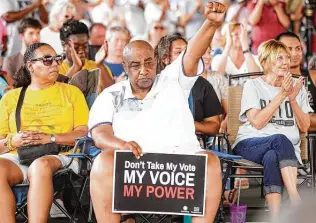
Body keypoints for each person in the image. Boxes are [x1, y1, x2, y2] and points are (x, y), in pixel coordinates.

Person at [88, 2, 226, 223]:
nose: (144, 70)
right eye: (135, 65)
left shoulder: (173, 80)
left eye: (148, 62)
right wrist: (121, 145)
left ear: (156, 62)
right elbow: (100, 134)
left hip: (179, 168)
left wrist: (210, 23)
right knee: (103, 161)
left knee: (210, 161)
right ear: (124, 66)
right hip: (134, 169)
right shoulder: (111, 94)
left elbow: (192, 53)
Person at [0, 42, 89, 223]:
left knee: (40, 166)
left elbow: (84, 132)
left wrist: (51, 138)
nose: (56, 64)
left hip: (61, 154)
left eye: (57, 59)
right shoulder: (11, 97)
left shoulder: (72, 92)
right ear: (30, 66)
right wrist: (12, 142)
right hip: (20, 155)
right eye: (47, 60)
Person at [233, 39, 312, 220]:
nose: (286, 62)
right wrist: (282, 95)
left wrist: (292, 99)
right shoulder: (253, 85)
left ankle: (275, 218)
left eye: (287, 57)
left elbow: (305, 126)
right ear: (265, 61)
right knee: (279, 139)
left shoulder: (296, 87)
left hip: (286, 151)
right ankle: (295, 199)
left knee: (272, 156)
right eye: (279, 58)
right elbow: (258, 123)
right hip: (250, 144)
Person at [155, 35, 223, 139]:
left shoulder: (202, 85)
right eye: (179, 52)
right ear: (165, 59)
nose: (185, 56)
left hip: (194, 144)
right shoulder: (155, 84)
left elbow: (214, 127)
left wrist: (187, 123)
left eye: (187, 52)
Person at [59, 19, 114, 90]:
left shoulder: (97, 67)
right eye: (76, 47)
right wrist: (76, 67)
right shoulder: (56, 70)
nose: (81, 51)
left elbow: (111, 92)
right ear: (64, 45)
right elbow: (59, 94)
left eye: (85, 46)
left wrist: (100, 65)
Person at [212, 22, 261, 86]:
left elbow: (256, 78)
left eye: (243, 34)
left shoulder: (255, 59)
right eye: (236, 34)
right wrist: (228, 44)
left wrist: (245, 45)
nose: (241, 37)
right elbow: (217, 77)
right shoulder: (218, 59)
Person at [3, 18, 41, 87]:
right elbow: (8, 90)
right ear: (21, 36)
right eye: (31, 33)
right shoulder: (10, 61)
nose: (36, 37)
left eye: (38, 33)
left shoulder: (44, 59)